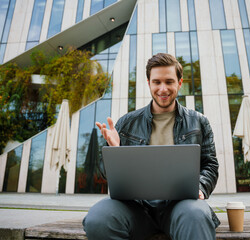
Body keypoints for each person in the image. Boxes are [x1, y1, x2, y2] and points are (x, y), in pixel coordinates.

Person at [82, 53, 220, 239]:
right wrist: (113, 151)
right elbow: (102, 173)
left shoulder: (199, 122)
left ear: (179, 83)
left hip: (182, 206)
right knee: (99, 218)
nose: (163, 89)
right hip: (135, 208)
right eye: (157, 82)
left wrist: (201, 187)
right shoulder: (127, 123)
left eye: (169, 81)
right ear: (149, 83)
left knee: (196, 215)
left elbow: (210, 165)